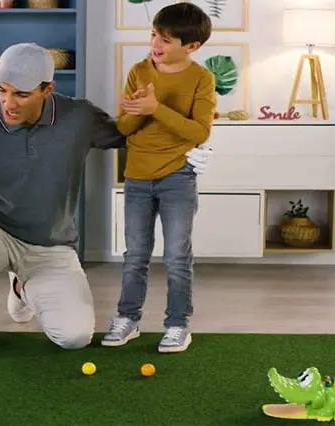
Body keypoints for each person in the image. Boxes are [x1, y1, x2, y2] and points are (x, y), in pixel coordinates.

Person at [0, 42, 211, 355]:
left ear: (47, 89)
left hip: (50, 247)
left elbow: (128, 137)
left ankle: (21, 287)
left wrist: (187, 150)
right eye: (2, 90)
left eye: (21, 94)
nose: (8, 103)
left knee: (74, 337)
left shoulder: (78, 117)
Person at [100, 2, 216, 353]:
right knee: (135, 254)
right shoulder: (138, 71)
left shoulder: (201, 79)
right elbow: (124, 127)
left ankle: (177, 324)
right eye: (154, 35)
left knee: (177, 257)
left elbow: (199, 132)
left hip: (178, 175)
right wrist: (140, 110)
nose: (155, 44)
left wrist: (155, 108)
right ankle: (128, 318)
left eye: (165, 39)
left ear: (191, 46)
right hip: (137, 176)